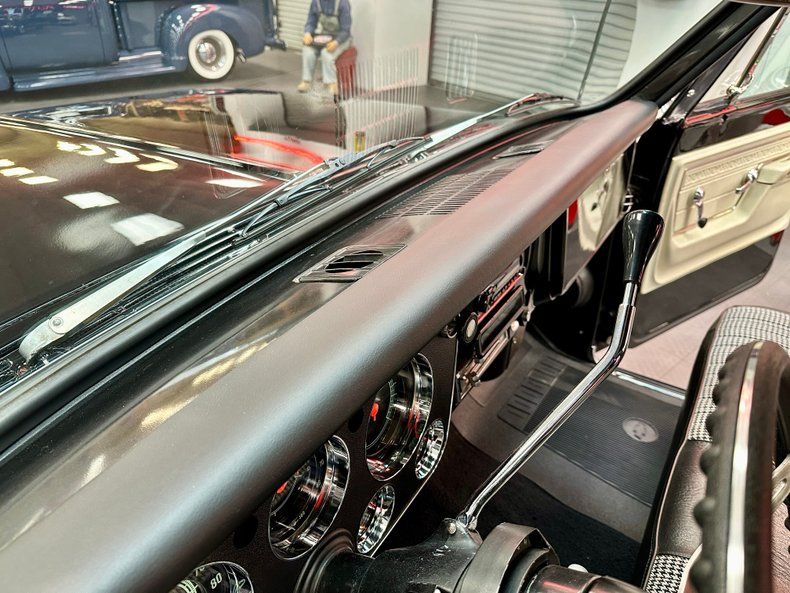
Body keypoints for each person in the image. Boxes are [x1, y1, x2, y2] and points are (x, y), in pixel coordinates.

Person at [298, 0, 352, 96]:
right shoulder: (316, 2)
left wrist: (336, 42)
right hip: (325, 35)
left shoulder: (342, 3)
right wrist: (307, 33)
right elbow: (311, 22)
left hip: (342, 39)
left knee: (326, 53)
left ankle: (332, 84)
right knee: (308, 50)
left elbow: (346, 30)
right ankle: (306, 81)